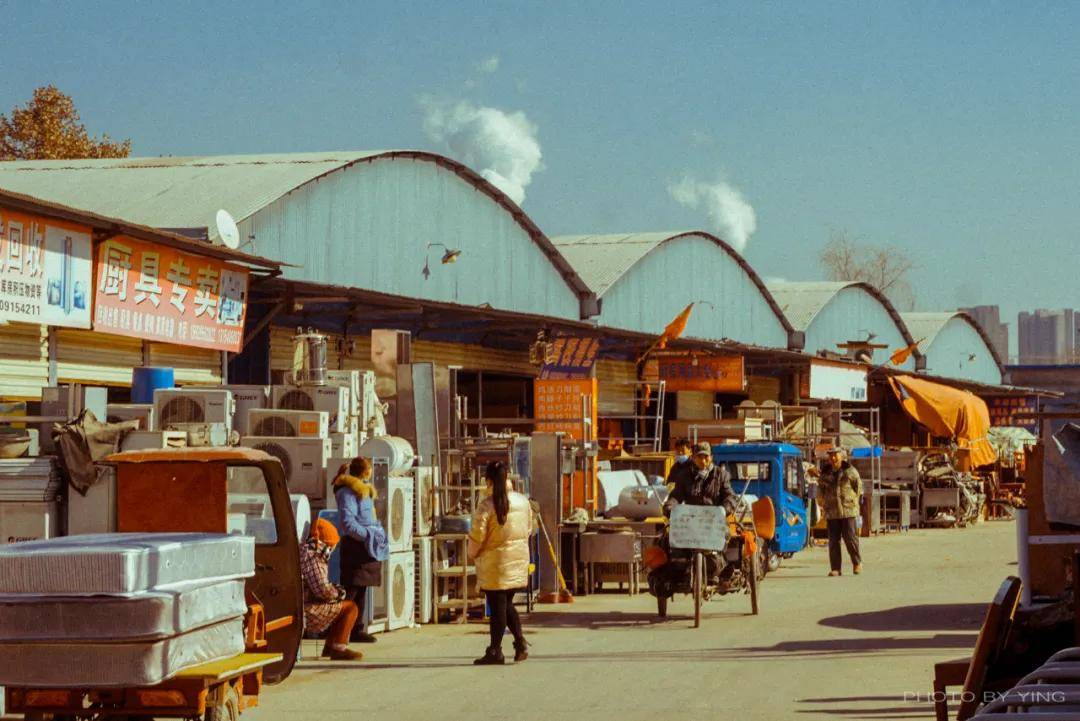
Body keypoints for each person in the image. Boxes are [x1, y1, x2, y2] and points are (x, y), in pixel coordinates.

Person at [467, 461, 532, 666]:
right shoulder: (523, 502)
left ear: (488, 480)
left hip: (495, 565)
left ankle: (495, 650)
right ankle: (520, 644)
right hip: (517, 561)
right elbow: (529, 529)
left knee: (498, 609)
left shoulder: (486, 506)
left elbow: (477, 537)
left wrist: (472, 555)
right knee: (506, 605)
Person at [333, 457, 388, 643]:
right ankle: (340, 632)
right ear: (366, 471)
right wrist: (368, 535)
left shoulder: (364, 490)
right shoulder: (348, 492)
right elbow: (348, 523)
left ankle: (357, 629)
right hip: (355, 546)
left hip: (365, 546)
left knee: (362, 589)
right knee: (351, 590)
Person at [300, 518, 362, 661]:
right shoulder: (314, 555)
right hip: (305, 609)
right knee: (350, 608)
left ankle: (329, 647)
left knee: (339, 608)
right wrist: (339, 593)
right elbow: (322, 589)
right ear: (327, 543)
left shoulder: (304, 550)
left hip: (302, 603)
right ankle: (338, 648)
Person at [817, 447, 862, 576]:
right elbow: (821, 489)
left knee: (850, 538)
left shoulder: (850, 471)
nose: (833, 458)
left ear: (841, 456)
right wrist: (822, 502)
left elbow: (858, 487)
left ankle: (857, 563)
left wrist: (852, 501)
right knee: (833, 541)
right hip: (832, 511)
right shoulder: (825, 473)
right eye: (830, 456)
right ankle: (836, 568)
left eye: (835, 455)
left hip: (848, 510)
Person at [664, 441, 737, 514]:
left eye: (706, 456)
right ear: (694, 458)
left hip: (715, 519)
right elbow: (676, 496)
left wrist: (725, 509)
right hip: (692, 519)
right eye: (699, 457)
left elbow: (730, 496)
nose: (703, 461)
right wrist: (670, 506)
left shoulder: (721, 475)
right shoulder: (685, 475)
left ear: (711, 457)